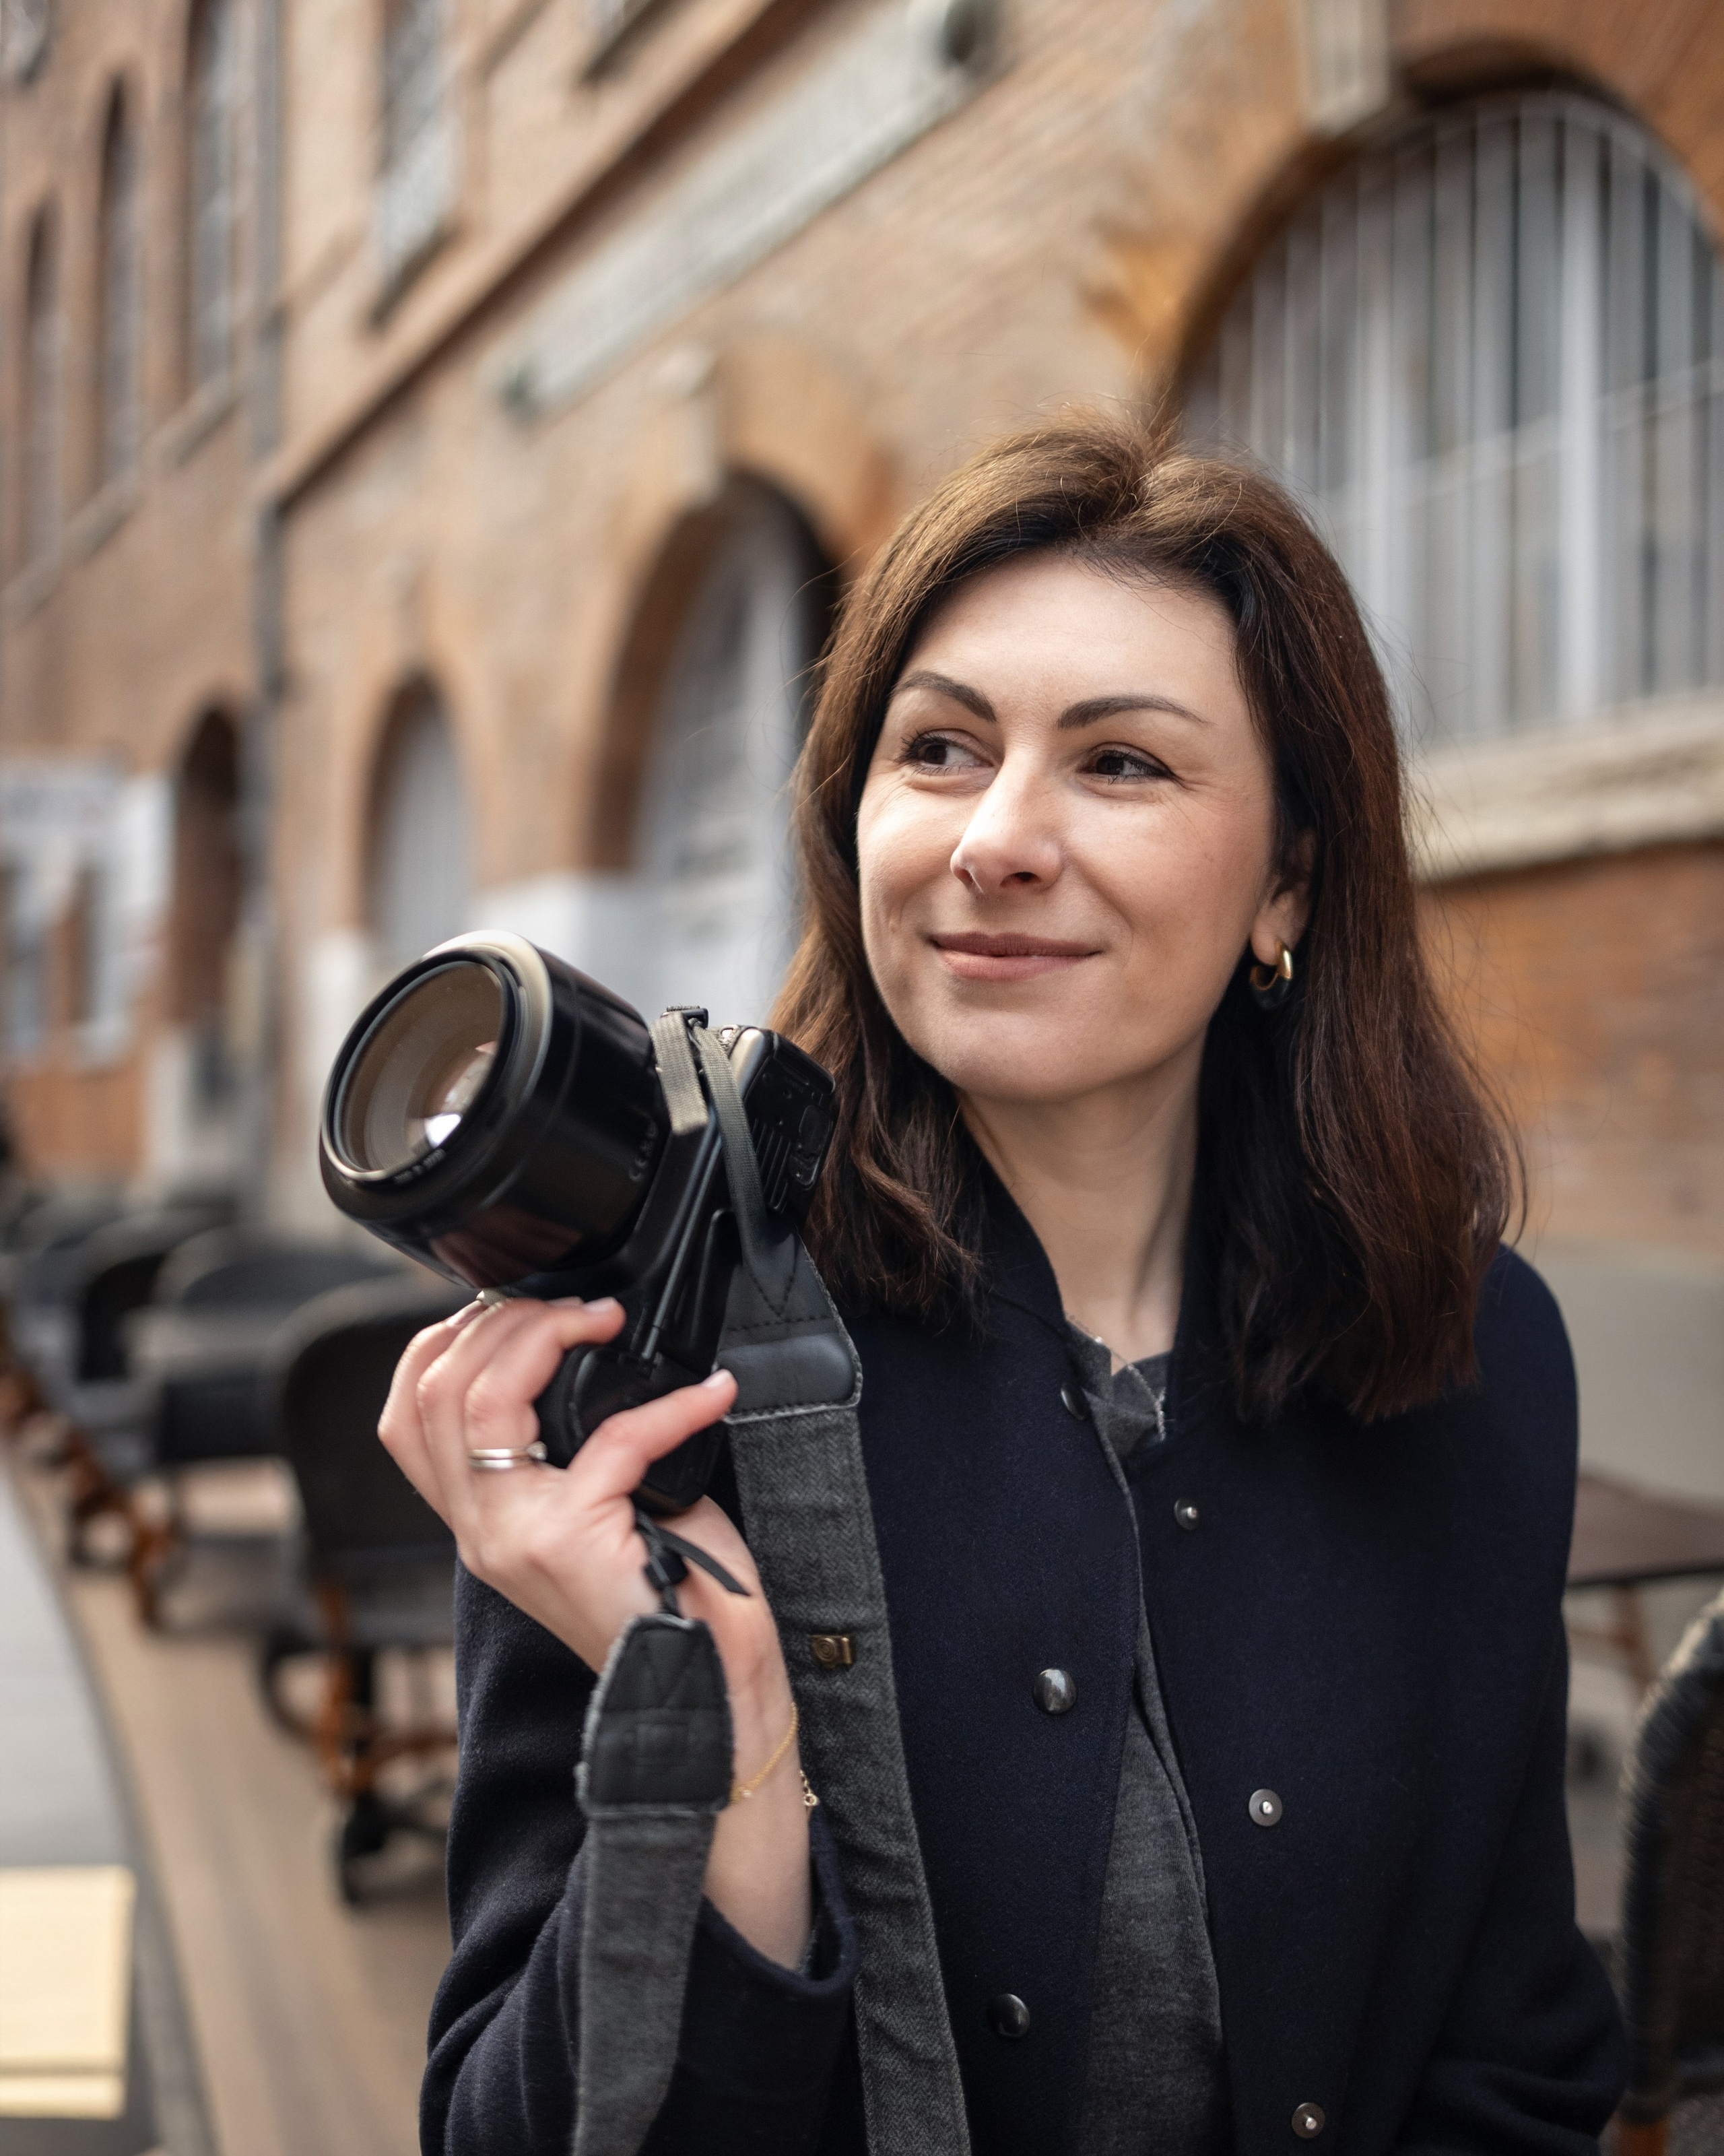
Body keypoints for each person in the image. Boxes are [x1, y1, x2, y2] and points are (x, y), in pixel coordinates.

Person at [381, 419, 1626, 2154]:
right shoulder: (655, 1385)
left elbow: (1517, 2053)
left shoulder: (1475, 1351)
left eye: (1122, 765)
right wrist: (723, 1750)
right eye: (942, 749)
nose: (998, 840)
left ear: (1289, 878)